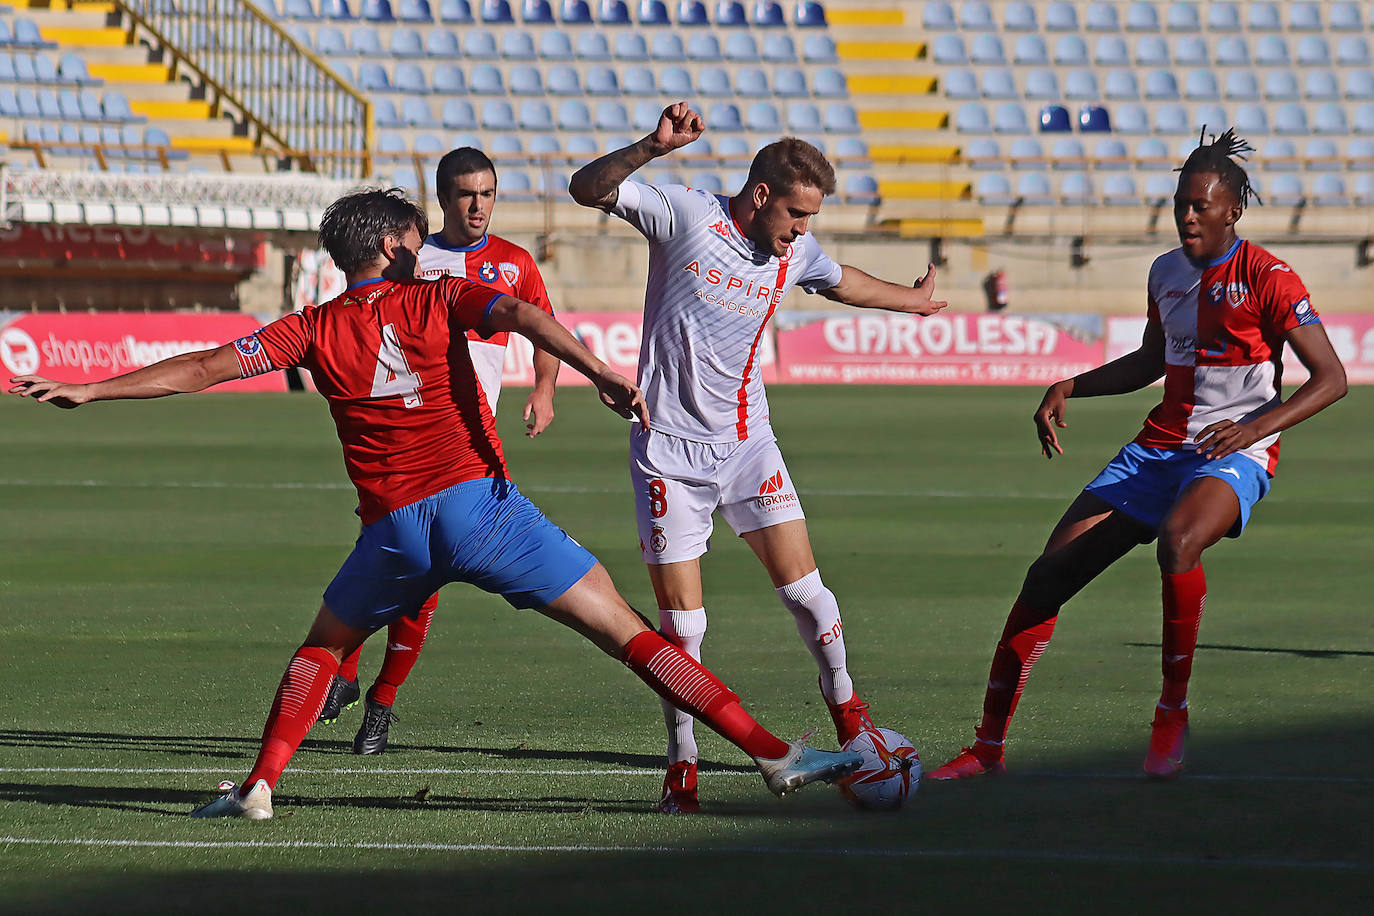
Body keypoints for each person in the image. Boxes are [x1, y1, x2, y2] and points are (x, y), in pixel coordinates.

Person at [8, 188, 862, 819]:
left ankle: (262, 784)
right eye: (414, 237)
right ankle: (774, 755)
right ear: (388, 244)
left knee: (322, 649)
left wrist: (92, 390)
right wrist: (600, 371)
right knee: (629, 632)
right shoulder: (435, 297)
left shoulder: (307, 327)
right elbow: (522, 312)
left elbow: (200, 367)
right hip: (482, 511)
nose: (425, 248)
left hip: (393, 534)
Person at [929, 130, 1347, 782]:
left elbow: (1330, 378)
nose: (1187, 215)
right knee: (1045, 579)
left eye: (1201, 206)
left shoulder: (1268, 277)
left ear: (1232, 211)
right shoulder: (1165, 273)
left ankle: (1171, 712)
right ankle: (988, 749)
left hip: (1233, 451)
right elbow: (1153, 361)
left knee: (1178, 542)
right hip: (1158, 450)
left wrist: (1252, 428)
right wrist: (1071, 384)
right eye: (1181, 202)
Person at [569, 103, 948, 813]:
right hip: (669, 455)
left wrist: (911, 304)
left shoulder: (795, 252)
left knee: (810, 592)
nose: (802, 233)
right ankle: (683, 768)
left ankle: (847, 713)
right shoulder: (684, 215)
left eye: (811, 220)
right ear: (762, 194)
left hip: (748, 444)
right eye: (797, 214)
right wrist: (652, 147)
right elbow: (586, 189)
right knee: (684, 631)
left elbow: (842, 279)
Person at [318, 148, 562, 757]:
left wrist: (544, 387)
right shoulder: (409, 259)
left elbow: (540, 324)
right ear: (443, 199)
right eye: (465, 195)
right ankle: (345, 675)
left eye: (487, 194)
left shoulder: (514, 262)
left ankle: (379, 700)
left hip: (465, 437)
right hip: (401, 431)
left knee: (420, 576)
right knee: (391, 561)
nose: (478, 206)